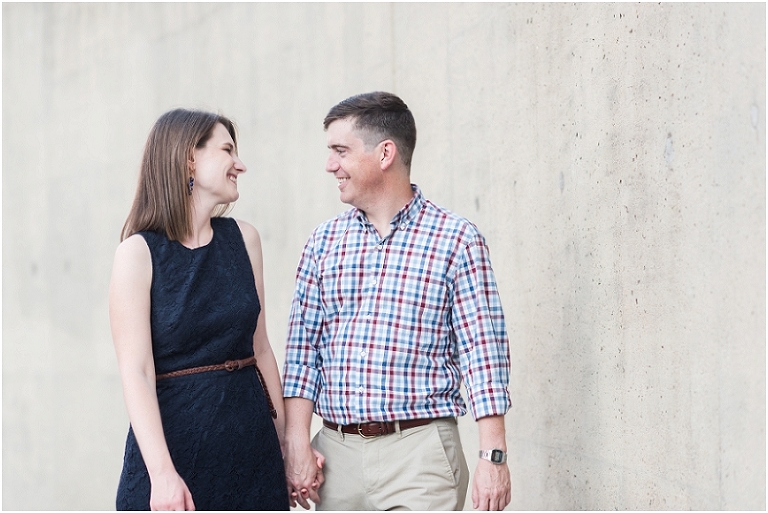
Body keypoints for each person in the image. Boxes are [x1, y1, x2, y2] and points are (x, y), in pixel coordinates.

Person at [282, 92, 513, 511]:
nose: (330, 165)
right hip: (336, 457)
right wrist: (296, 442)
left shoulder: (456, 240)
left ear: (385, 153)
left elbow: (484, 354)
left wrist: (492, 457)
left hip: (419, 455)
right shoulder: (323, 243)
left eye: (340, 151)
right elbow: (302, 355)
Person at [109, 108, 289, 510]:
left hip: (252, 453)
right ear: (191, 157)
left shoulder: (245, 239)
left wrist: (285, 445)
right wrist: (162, 475)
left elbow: (260, 350)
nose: (239, 164)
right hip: (174, 460)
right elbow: (136, 371)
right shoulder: (137, 254)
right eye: (228, 150)